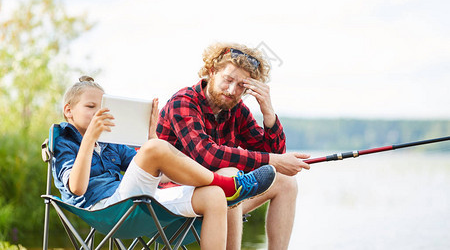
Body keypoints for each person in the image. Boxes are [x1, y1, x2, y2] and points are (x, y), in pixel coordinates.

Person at [52, 76, 277, 250]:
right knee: (156, 150)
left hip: (136, 201)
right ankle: (231, 185)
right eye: (90, 107)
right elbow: (77, 188)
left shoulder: (113, 142)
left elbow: (159, 174)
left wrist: (151, 136)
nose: (98, 113)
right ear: (69, 111)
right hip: (104, 210)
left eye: (102, 108)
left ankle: (225, 187)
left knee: (214, 196)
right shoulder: (65, 140)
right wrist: (89, 138)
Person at [157, 42, 311, 250]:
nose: (232, 90)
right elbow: (207, 156)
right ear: (212, 71)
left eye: (241, 86)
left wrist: (268, 113)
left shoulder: (237, 109)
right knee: (231, 176)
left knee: (284, 182)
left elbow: (274, 158)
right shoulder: (183, 103)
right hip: (169, 199)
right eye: (228, 80)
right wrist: (273, 160)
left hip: (217, 197)